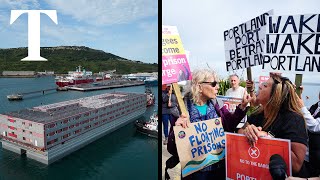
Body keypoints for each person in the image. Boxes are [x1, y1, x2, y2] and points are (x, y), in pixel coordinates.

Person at [175, 69, 250, 180]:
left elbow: (229, 124)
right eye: (214, 84)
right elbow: (173, 148)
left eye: (218, 84)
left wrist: (242, 106)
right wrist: (176, 129)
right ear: (199, 86)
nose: (218, 87)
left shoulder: (217, 104)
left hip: (218, 168)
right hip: (195, 173)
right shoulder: (182, 108)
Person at [239, 73, 308, 177]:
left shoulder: (294, 119)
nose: (260, 86)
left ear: (275, 95)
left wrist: (267, 139)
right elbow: (240, 131)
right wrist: (247, 131)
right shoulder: (258, 114)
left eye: (265, 85)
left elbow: (296, 165)